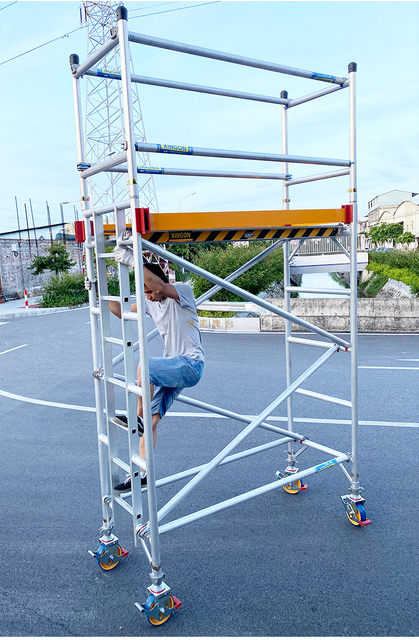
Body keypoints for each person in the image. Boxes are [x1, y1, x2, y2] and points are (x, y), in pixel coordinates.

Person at [108, 245, 205, 491]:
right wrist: (100, 288)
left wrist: (133, 262)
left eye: (150, 291)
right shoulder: (151, 303)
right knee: (151, 422)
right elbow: (120, 311)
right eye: (146, 292)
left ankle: (136, 417)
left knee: (146, 366)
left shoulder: (182, 292)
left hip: (190, 364)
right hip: (173, 369)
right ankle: (142, 473)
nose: (149, 296)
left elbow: (161, 287)